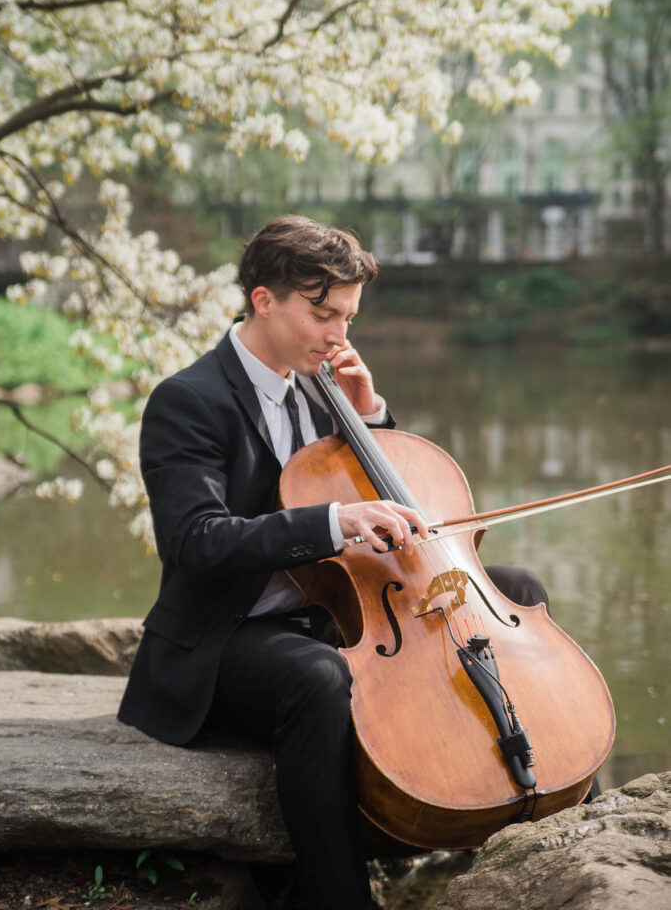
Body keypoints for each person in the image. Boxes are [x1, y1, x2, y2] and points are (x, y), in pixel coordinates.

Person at [118, 215, 550, 909]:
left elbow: (378, 497)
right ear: (264, 299)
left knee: (517, 589)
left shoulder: (324, 387)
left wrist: (369, 418)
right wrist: (332, 524)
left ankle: (506, 787)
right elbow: (195, 541)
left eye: (347, 316)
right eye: (323, 313)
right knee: (317, 678)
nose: (339, 335)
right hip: (229, 634)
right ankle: (336, 894)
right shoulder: (189, 401)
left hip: (333, 610)